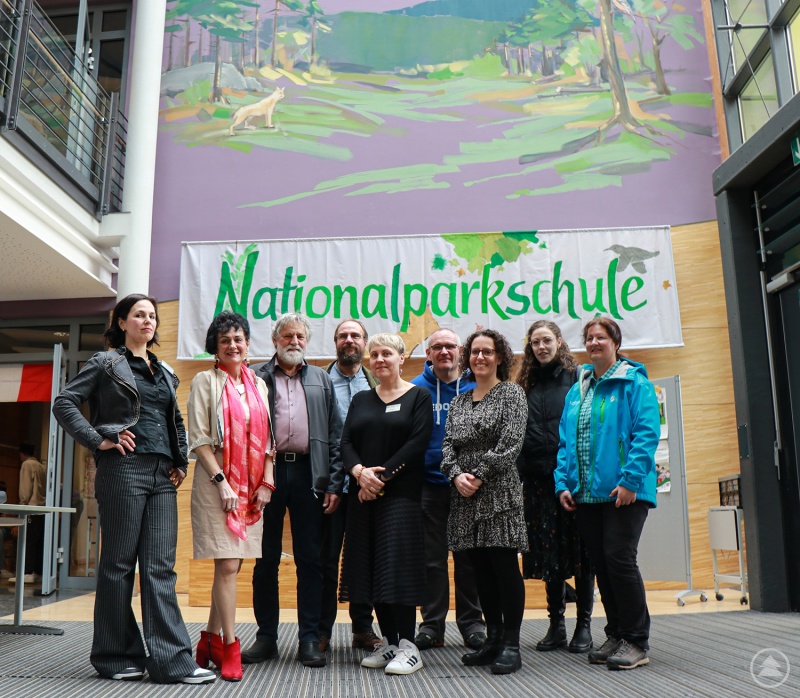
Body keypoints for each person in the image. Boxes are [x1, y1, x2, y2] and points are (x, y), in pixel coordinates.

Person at [52, 293, 215, 684]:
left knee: (160, 568)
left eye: (152, 316)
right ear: (122, 322)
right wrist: (99, 438)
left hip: (162, 476)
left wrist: (179, 461)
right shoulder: (107, 363)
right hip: (123, 470)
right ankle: (114, 656)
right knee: (118, 566)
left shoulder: (166, 372)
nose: (148, 321)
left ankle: (171, 661)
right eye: (139, 315)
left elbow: (173, 420)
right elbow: (64, 403)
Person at [555, 317, 660, 671]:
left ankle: (636, 640)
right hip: (586, 495)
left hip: (625, 492)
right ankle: (616, 633)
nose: (594, 342)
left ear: (615, 342)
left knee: (619, 559)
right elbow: (566, 443)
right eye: (589, 338)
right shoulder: (578, 389)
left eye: (601, 337)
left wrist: (631, 481)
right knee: (602, 564)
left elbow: (646, 434)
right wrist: (563, 484)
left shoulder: (634, 382)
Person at [242, 313, 343, 669]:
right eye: (288, 335)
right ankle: (266, 637)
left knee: (310, 561)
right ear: (275, 340)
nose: (295, 341)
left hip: (308, 475)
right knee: (265, 559)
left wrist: (333, 482)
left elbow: (335, 435)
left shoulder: (320, 378)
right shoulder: (254, 375)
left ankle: (310, 638)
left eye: (300, 336)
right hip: (264, 477)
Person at [187, 311, 275, 681]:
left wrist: (267, 481)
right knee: (225, 565)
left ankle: (207, 641)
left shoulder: (259, 383)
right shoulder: (204, 382)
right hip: (216, 483)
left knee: (234, 565)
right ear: (215, 348)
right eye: (225, 341)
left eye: (238, 339)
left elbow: (269, 436)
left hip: (252, 485)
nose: (233, 345)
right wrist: (222, 481)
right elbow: (199, 439)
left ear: (247, 344)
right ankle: (229, 644)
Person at [339, 333, 433, 675]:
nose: (379, 359)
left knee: (398, 573)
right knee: (371, 571)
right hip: (363, 497)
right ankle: (390, 643)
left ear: (401, 357)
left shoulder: (418, 396)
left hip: (400, 498)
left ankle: (409, 646)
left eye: (386, 354)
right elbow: (346, 442)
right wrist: (360, 473)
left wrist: (378, 481)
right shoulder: (362, 399)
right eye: (374, 354)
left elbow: (416, 444)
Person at [441, 329, 528, 675]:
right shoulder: (459, 401)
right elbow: (446, 446)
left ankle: (511, 643)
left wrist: (476, 474)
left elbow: (510, 443)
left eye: (487, 352)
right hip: (464, 496)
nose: (480, 358)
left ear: (500, 357)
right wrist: (456, 474)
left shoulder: (512, 394)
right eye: (475, 352)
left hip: (498, 493)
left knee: (504, 568)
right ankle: (492, 639)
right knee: (480, 572)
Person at [516, 320, 594, 654]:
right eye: (535, 342)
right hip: (536, 482)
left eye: (547, 340)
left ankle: (585, 626)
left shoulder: (578, 379)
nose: (542, 347)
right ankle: (556, 625)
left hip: (573, 482)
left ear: (559, 342)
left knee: (581, 555)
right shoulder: (525, 383)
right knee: (548, 556)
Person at [410, 328, 485, 651]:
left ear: (461, 351)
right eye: (436, 347)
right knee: (431, 560)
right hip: (429, 486)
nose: (444, 352)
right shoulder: (415, 390)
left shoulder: (477, 387)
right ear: (428, 354)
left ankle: (472, 623)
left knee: (469, 558)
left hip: (470, 487)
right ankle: (432, 624)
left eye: (450, 346)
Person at [320, 319, 381, 653]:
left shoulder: (375, 382)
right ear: (335, 342)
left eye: (355, 335)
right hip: (329, 488)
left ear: (364, 343)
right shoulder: (318, 380)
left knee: (363, 560)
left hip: (364, 488)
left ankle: (362, 628)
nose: (349, 340)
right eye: (343, 335)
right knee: (326, 561)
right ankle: (321, 631)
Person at [13, 443, 47, 584]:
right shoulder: (41, 467)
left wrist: (22, 506)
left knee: (28, 541)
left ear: (21, 454)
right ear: (34, 451)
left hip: (31, 508)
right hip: (41, 508)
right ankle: (37, 571)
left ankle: (27, 571)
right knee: (37, 541)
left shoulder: (27, 465)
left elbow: (26, 490)